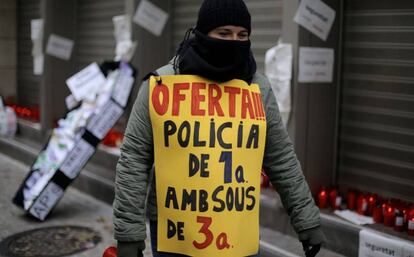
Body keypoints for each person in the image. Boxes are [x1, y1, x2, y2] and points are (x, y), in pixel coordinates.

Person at [113, 0, 325, 256]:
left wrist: (307, 220)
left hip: (237, 234)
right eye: (224, 33)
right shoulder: (162, 84)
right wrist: (128, 234)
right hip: (176, 238)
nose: (234, 41)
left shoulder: (257, 89)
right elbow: (134, 159)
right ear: (202, 34)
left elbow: (281, 158)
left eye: (242, 35)